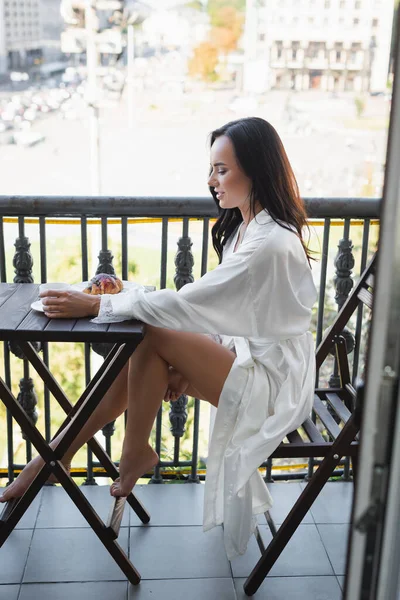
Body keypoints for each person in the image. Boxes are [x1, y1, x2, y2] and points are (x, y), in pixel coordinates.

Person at [0, 117, 317, 559]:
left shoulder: (267, 243)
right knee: (143, 355)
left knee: (148, 333)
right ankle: (57, 459)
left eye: (221, 170)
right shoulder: (248, 228)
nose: (211, 181)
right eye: (212, 169)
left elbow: (189, 304)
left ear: (257, 170)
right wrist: (184, 368)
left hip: (274, 385)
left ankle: (91, 458)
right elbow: (222, 317)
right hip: (248, 362)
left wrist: (96, 306)